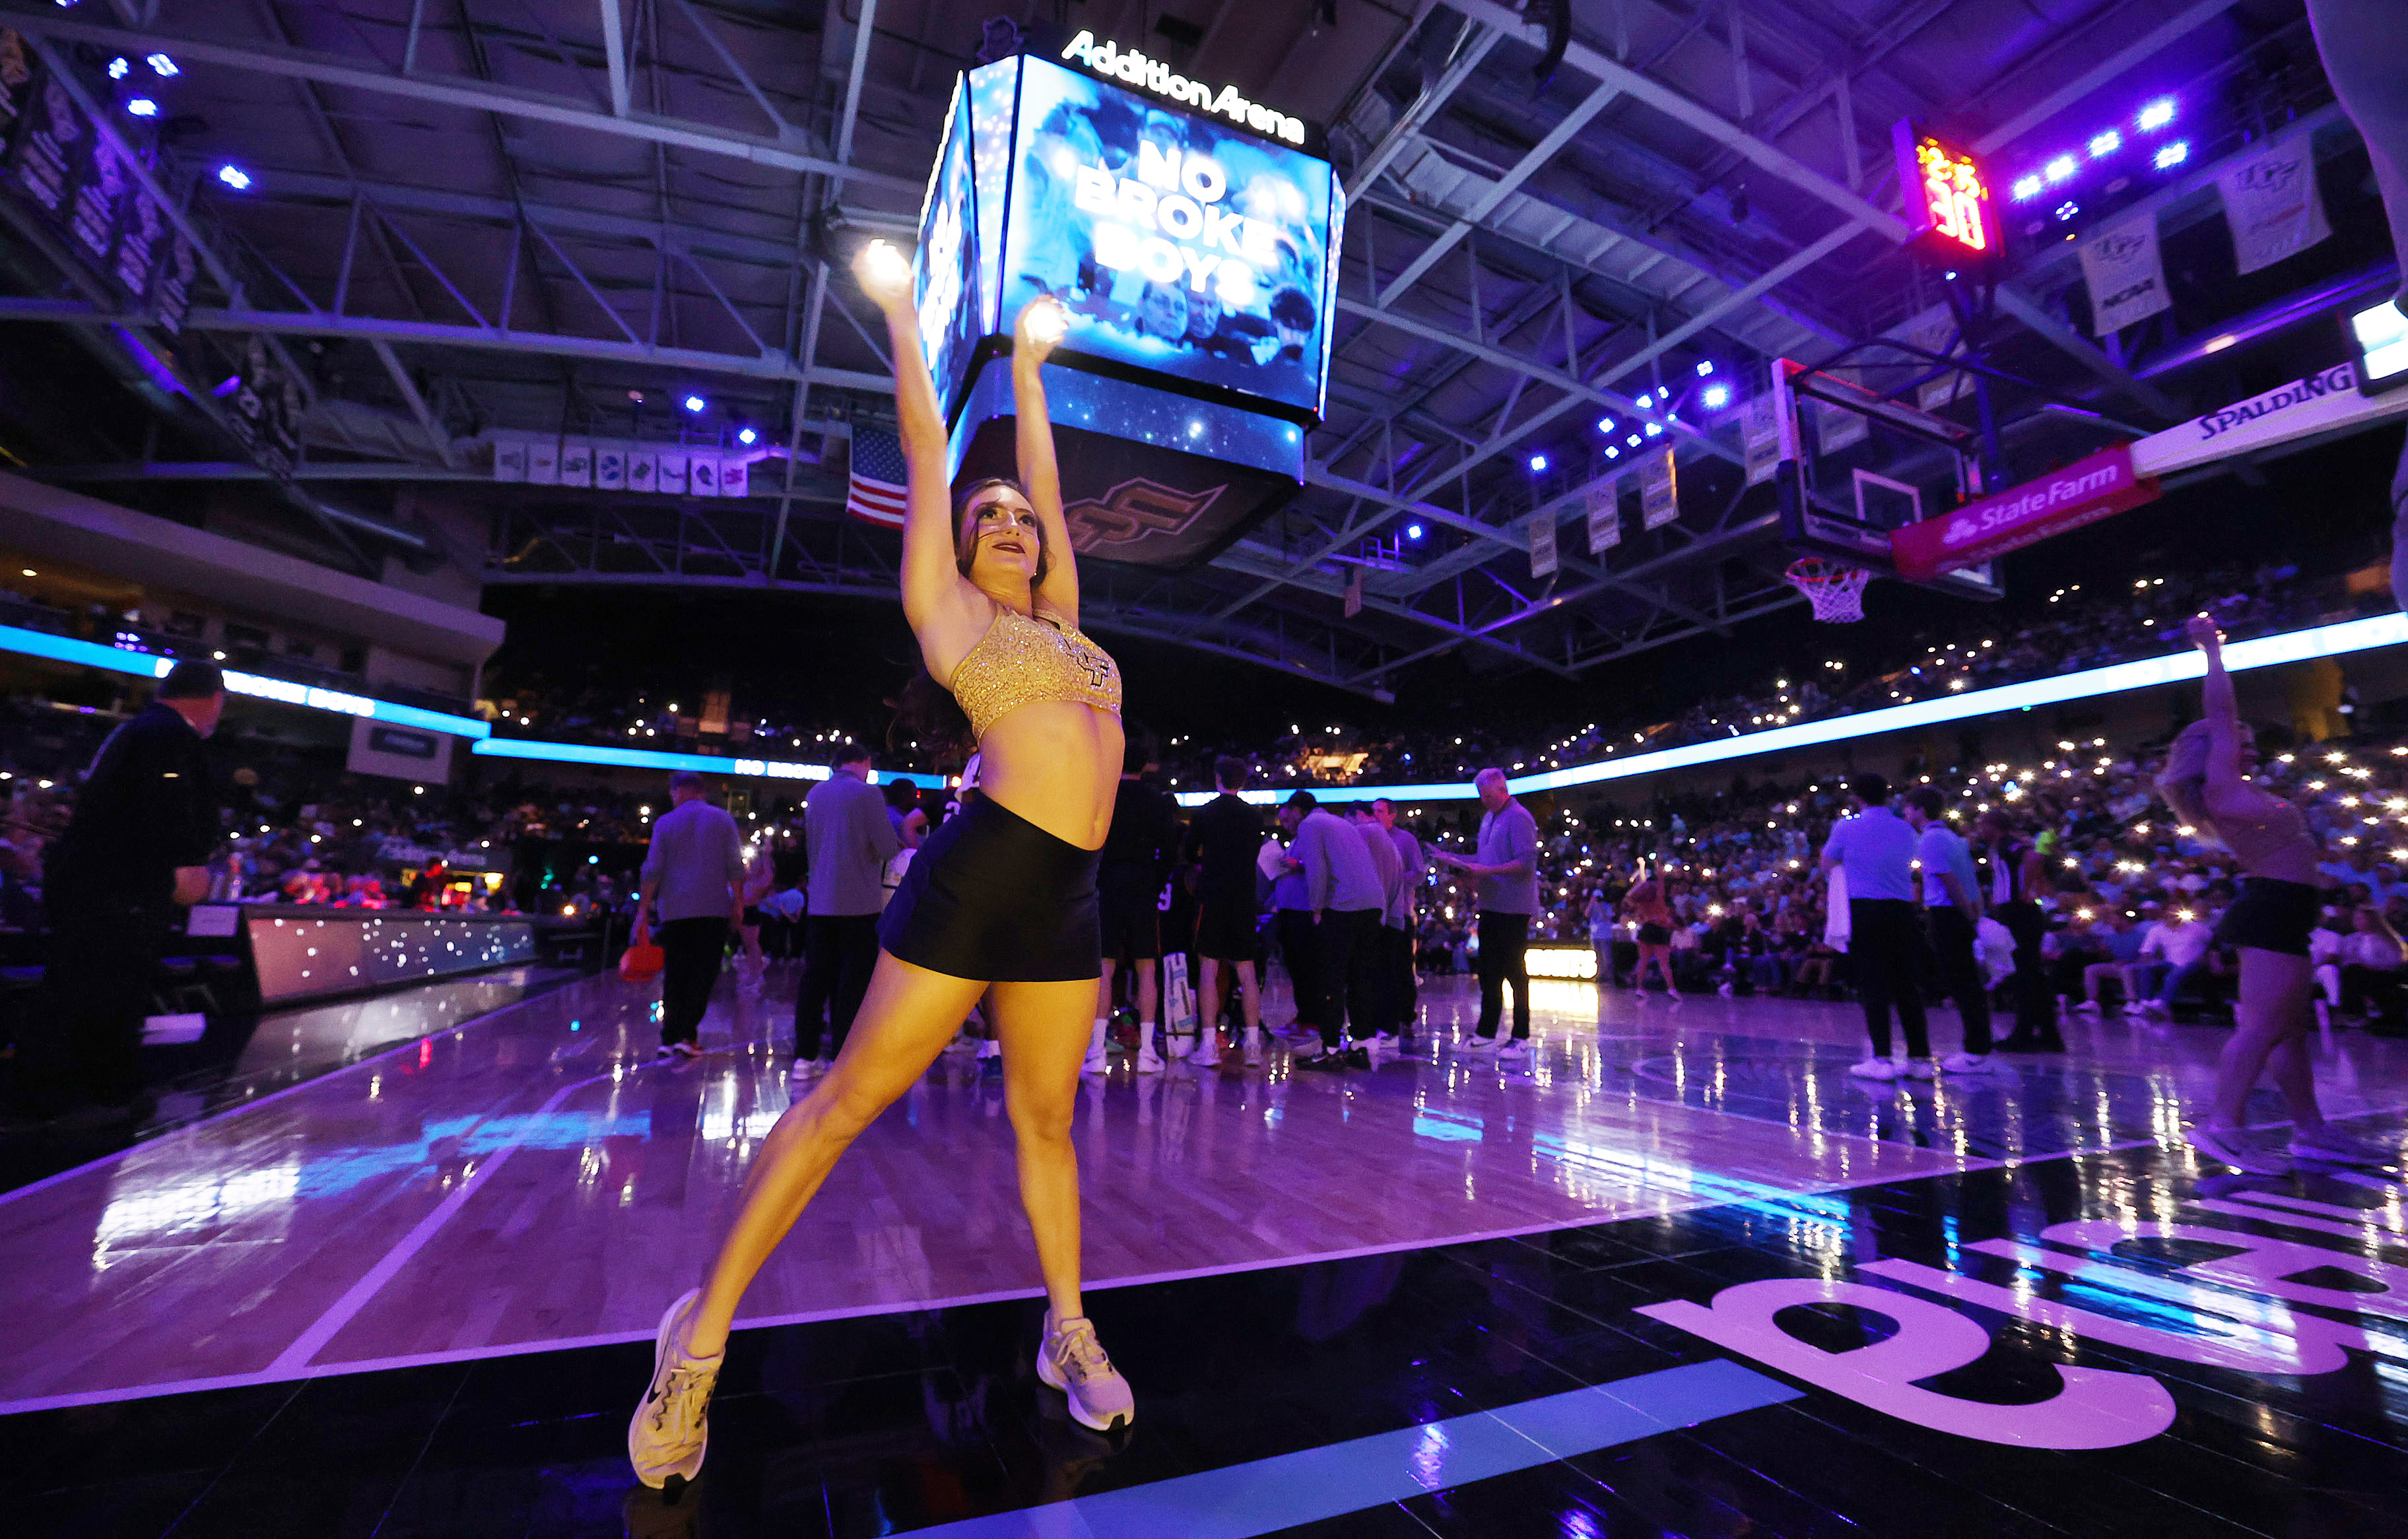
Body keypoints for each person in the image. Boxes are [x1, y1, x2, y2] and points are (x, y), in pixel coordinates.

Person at [630, 256, 1133, 1494]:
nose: (1012, 523)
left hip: (1070, 892)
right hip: (980, 873)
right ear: (961, 550)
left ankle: (1063, 1326)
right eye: (990, 518)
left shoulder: (1071, 625)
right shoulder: (955, 615)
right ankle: (694, 1343)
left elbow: (1057, 491)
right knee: (844, 1103)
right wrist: (911, 319)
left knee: (1048, 1120)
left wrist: (1027, 372)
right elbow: (922, 449)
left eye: (1020, 517)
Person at [2160, 612, 2382, 1173]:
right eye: (2241, 742)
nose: (2249, 748)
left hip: (2286, 910)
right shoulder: (2223, 786)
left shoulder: (2239, 790)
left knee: (2287, 1029)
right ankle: (2223, 1127)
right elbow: (2221, 710)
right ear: (2214, 749)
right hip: (2271, 911)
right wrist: (2211, 649)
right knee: (2261, 1028)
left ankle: (2311, 1131)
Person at [22, 661, 224, 1121]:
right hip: (121, 890)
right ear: (213, 699)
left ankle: (54, 1093)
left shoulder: (138, 730)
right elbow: (167, 810)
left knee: (76, 984)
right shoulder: (170, 737)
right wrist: (187, 865)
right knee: (105, 989)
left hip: (94, 883)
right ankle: (91, 1097)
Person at [791, 742, 899, 1082]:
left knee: (815, 979)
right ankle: (844, 1056)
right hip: (859, 904)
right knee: (852, 982)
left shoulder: (816, 794)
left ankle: (805, 1057)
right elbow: (886, 848)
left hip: (820, 902)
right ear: (864, 762)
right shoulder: (868, 795)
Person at [1820, 773, 1933, 1082]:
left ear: (1857, 797)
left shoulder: (1846, 826)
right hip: (1902, 909)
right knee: (1906, 983)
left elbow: (1826, 864)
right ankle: (1920, 1059)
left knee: (1873, 983)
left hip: (1865, 910)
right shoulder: (1906, 828)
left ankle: (1882, 1058)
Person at [636, 771, 747, 1061]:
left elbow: (652, 869)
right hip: (713, 908)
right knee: (703, 973)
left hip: (674, 910)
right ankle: (687, 1036)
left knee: (676, 973)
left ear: (678, 791)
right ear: (702, 791)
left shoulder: (665, 823)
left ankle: (668, 1037)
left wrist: (643, 910)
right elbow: (735, 866)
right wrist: (738, 902)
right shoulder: (723, 820)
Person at [1432, 768, 1537, 1061]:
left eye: (1488, 796)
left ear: (1503, 790)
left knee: (1515, 971)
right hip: (1491, 904)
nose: (1485, 801)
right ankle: (1486, 1033)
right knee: (1489, 971)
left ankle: (1521, 1036)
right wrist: (1452, 859)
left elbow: (1526, 864)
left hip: (1514, 906)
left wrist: (1486, 871)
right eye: (1482, 796)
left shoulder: (1519, 817)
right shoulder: (1491, 817)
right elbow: (1484, 859)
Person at [1088, 731, 1176, 1075]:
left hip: (1106, 886)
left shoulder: (1104, 795)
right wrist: (1156, 881)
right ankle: (1148, 1052)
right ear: (1145, 766)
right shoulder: (1158, 801)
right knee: (1146, 969)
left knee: (1105, 968)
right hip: (1143, 887)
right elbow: (1169, 852)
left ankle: (1095, 1051)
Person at [1281, 789, 1384, 1071]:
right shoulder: (1340, 823)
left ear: (1297, 809)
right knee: (1361, 976)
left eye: (1288, 813)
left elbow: (1317, 870)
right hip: (1373, 903)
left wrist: (1316, 909)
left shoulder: (1310, 825)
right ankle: (1361, 1045)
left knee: (1331, 978)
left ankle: (1330, 1047)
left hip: (1345, 906)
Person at [1903, 787, 1994, 1072]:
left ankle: (1975, 1051)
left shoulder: (1930, 839)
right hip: (1959, 913)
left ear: (1920, 809)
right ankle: (1978, 1046)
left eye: (1908, 808)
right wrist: (1974, 912)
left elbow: (1950, 881)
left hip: (1947, 914)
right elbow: (1969, 880)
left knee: (1960, 980)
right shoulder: (1952, 837)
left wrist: (1968, 915)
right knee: (1966, 980)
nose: (1905, 813)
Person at [1184, 755, 1264, 1067]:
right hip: (1244, 897)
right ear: (1242, 781)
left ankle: (1208, 1045)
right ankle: (1254, 1047)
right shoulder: (1255, 816)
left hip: (1214, 897)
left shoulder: (1206, 813)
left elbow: (1190, 851)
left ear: (1218, 778)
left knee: (1208, 967)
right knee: (1247, 970)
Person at [1979, 808, 2062, 1053]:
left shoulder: (2009, 844)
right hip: (2017, 914)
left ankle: (2023, 1034)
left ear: (1993, 825)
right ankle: (2049, 1035)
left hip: (2019, 914)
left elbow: (2035, 858)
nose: (1980, 830)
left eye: (1983, 824)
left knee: (2024, 975)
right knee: (2032, 976)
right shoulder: (2001, 847)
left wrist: (2026, 890)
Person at [1350, 802, 1407, 1045]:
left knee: (1378, 974)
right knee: (1385, 973)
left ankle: (1383, 1028)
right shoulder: (1383, 837)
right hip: (1391, 915)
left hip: (1381, 917)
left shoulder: (1369, 834)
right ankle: (1386, 1028)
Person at [1370, 798, 1426, 1038]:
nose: (1376, 815)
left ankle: (1406, 1017)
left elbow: (1419, 872)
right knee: (1381, 968)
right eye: (1373, 811)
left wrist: (1396, 880)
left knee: (1402, 967)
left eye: (1380, 811)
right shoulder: (1371, 837)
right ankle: (1383, 1017)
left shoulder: (1405, 840)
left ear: (1392, 815)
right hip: (1376, 911)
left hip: (1400, 911)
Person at [2131, 904, 2215, 1018]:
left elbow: (2214, 942)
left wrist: (2206, 956)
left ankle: (2162, 1002)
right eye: (2171, 912)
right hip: (2170, 963)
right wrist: (2149, 961)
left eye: (2177, 912)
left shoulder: (2197, 927)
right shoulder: (2157, 930)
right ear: (2165, 914)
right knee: (2146, 968)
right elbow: (2146, 951)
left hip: (2194, 962)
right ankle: (2144, 1003)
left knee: (2176, 973)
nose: (2174, 915)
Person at [1624, 872, 1677, 1000]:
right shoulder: (1659, 898)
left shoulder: (1641, 903)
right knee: (1664, 963)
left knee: (1643, 961)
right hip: (1658, 931)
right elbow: (1661, 882)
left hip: (1646, 931)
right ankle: (1672, 989)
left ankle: (1640, 988)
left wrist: (1641, 885)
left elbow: (1628, 897)